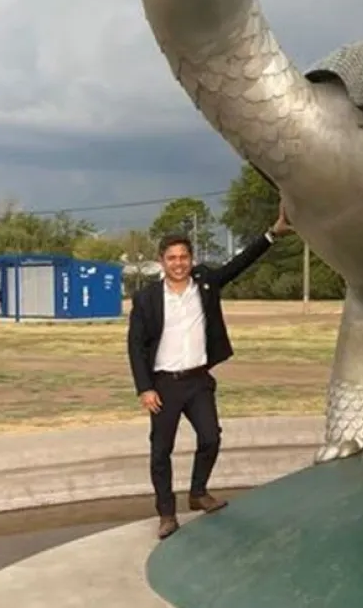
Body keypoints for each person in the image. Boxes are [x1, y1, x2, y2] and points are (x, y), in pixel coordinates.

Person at [127, 206, 292, 539]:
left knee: (211, 438)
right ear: (162, 261)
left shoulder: (204, 283)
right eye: (172, 258)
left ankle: (198, 492)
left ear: (191, 259)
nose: (178, 263)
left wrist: (272, 233)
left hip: (198, 381)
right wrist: (145, 388)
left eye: (183, 257)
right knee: (161, 450)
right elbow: (135, 346)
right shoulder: (146, 299)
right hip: (164, 384)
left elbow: (239, 264)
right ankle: (166, 513)